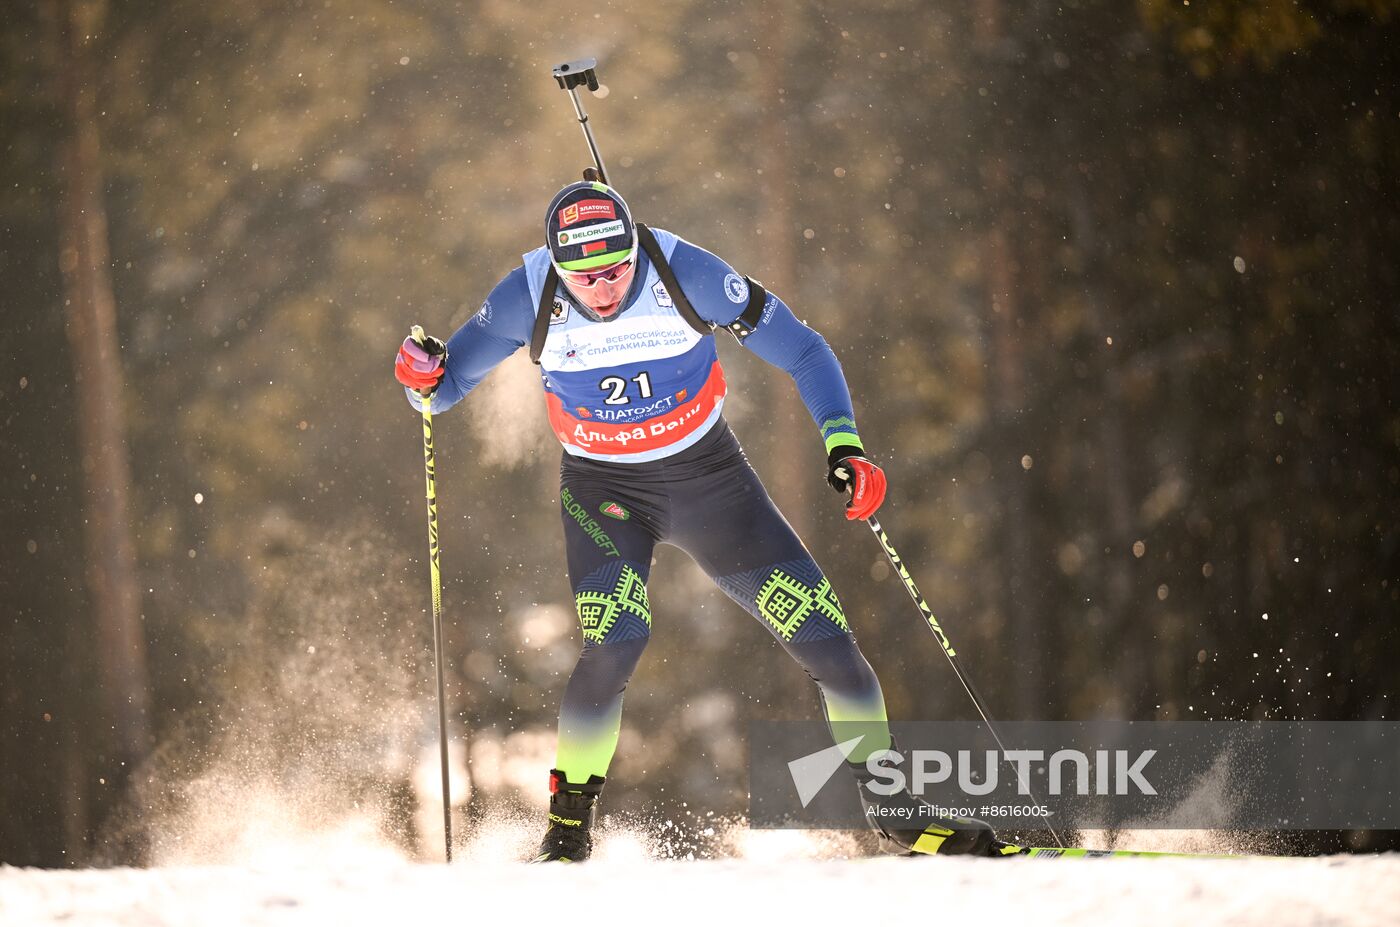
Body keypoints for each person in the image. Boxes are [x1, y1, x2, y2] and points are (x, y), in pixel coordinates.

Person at [394, 180, 1002, 861]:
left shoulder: (687, 273)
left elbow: (803, 350)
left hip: (711, 482)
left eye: (617, 268)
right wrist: (420, 371)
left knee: (831, 645)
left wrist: (844, 445)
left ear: (635, 248)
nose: (602, 288)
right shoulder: (524, 295)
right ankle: (566, 833)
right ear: (555, 264)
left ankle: (897, 811)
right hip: (605, 492)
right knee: (616, 640)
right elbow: (440, 391)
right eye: (584, 276)